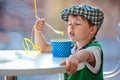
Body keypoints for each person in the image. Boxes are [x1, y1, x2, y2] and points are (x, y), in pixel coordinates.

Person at [34, 4, 104, 80]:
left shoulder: (95, 48)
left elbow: (86, 54)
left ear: (92, 30)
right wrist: (38, 31)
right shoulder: (70, 46)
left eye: (77, 24)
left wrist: (75, 58)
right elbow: (44, 48)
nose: (71, 27)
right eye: (69, 23)